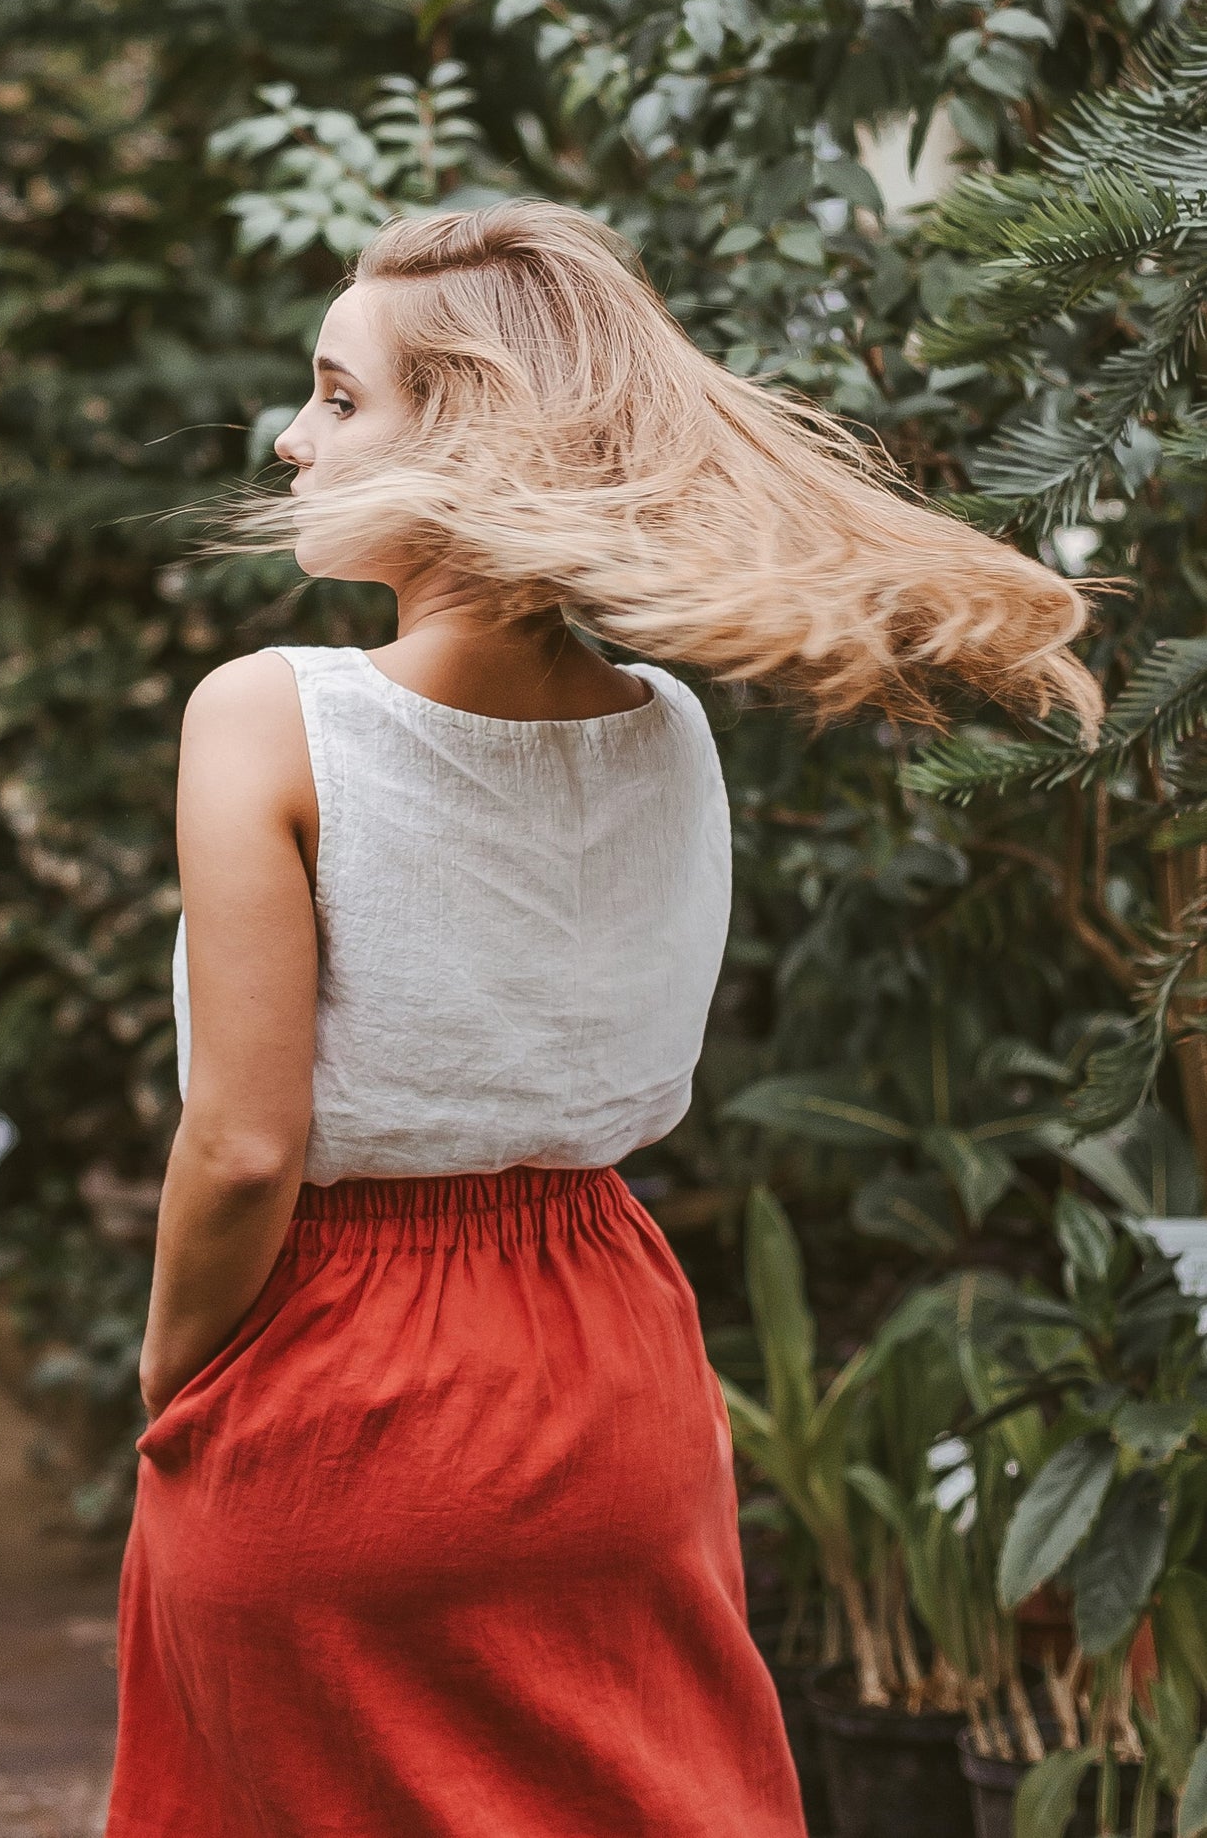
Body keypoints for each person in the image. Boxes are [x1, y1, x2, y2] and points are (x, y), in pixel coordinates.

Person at [102, 201, 1102, 1838]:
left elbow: (241, 1142)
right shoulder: (671, 728)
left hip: (339, 1372)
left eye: (339, 398)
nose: (290, 439)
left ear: (474, 438)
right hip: (610, 1357)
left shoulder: (268, 717)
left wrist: (175, 1378)